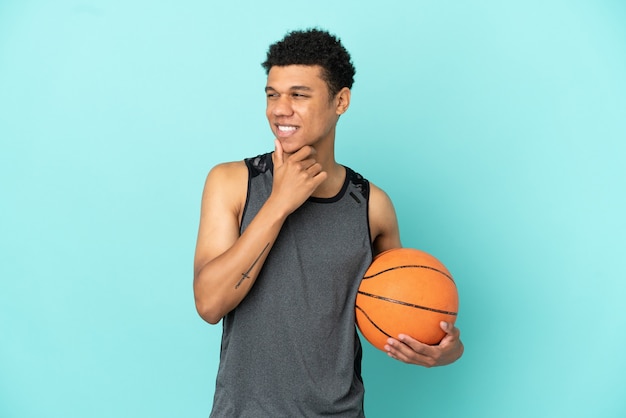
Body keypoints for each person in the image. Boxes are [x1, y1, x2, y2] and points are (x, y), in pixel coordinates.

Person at [193, 28, 464, 417]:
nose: (279, 109)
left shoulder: (372, 206)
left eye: (298, 95)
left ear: (341, 101)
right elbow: (209, 303)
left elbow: (404, 309)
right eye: (272, 95)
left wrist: (446, 349)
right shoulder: (232, 182)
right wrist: (279, 204)